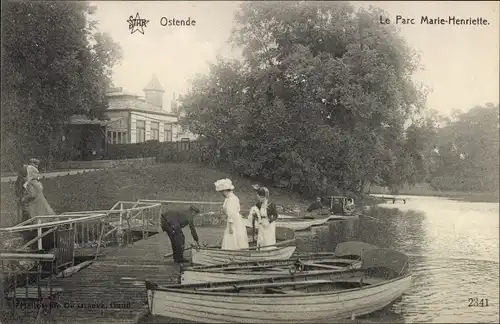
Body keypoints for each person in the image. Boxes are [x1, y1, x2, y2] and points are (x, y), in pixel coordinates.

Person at [21, 165, 57, 250]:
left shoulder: (30, 184)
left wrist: (23, 199)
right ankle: (47, 244)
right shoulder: (37, 183)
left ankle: (39, 246)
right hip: (42, 205)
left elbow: (32, 195)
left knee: (38, 223)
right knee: (44, 222)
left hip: (35, 207)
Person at [214, 178, 249, 250]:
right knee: (232, 236)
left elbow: (231, 213)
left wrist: (230, 226)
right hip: (232, 220)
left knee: (233, 236)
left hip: (233, 221)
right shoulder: (228, 198)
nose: (222, 193)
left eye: (222, 191)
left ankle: (234, 251)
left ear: (226, 190)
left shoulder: (232, 199)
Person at [248, 185, 278, 250]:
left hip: (269, 224)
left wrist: (269, 222)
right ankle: (261, 250)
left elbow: (276, 215)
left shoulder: (271, 205)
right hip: (261, 223)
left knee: (268, 239)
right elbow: (257, 213)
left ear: (263, 197)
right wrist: (254, 215)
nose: (258, 199)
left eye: (259, 197)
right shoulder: (259, 204)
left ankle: (269, 250)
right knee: (261, 238)